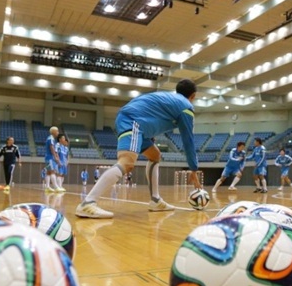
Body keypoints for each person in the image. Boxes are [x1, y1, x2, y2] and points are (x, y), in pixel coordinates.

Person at [76, 79, 201, 218]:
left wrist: (148, 134)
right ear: (193, 96)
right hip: (133, 121)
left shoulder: (170, 98)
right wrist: (194, 169)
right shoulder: (186, 106)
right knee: (127, 162)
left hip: (133, 120)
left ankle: (156, 200)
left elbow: (150, 112)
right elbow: (188, 139)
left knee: (155, 155)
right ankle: (87, 203)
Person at [44, 126, 64, 192]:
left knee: (48, 172)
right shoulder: (51, 138)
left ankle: (47, 187)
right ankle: (56, 187)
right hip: (50, 157)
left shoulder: (51, 139)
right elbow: (51, 147)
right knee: (52, 171)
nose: (58, 132)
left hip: (48, 157)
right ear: (53, 132)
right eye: (57, 131)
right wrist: (55, 156)